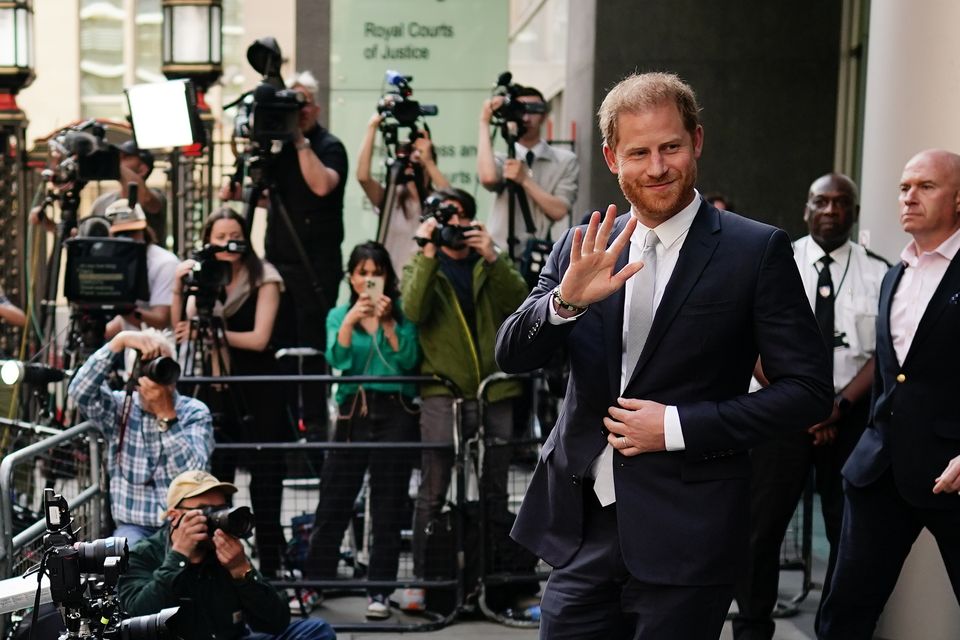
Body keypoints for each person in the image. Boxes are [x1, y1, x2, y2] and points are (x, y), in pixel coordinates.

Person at [495, 72, 833, 639]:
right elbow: (511, 355)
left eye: (671, 146)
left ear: (696, 142)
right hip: (581, 527)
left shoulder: (756, 251)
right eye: (639, 152)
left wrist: (676, 426)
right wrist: (564, 302)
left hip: (688, 534)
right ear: (611, 158)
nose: (657, 167)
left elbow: (807, 393)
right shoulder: (585, 244)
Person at [732, 174, 889, 640]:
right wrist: (797, 402)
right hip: (779, 416)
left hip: (850, 416)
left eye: (842, 203)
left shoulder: (880, 273)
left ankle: (836, 630)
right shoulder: (771, 260)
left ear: (854, 213)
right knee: (760, 532)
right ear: (805, 209)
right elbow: (749, 339)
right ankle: (752, 627)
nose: (831, 210)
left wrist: (835, 406)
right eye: (821, 201)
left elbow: (883, 354)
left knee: (848, 534)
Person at [818, 149, 960, 639]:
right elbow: (890, 373)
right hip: (878, 472)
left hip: (952, 473)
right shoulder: (894, 275)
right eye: (904, 187)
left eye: (926, 187)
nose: (909, 197)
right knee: (844, 616)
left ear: (959, 199)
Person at [402, 187, 529, 597]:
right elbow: (412, 310)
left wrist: (492, 255)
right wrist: (425, 251)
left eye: (459, 215)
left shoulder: (488, 261)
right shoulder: (425, 264)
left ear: (472, 220)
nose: (452, 224)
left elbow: (524, 301)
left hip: (495, 388)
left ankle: (493, 575)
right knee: (434, 487)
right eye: (443, 217)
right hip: (444, 391)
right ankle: (425, 578)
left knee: (495, 486)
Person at [222, 70, 348, 440]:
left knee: (309, 355)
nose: (297, 110)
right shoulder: (276, 147)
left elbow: (320, 186)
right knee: (278, 352)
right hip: (276, 267)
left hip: (314, 270)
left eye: (302, 102)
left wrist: (298, 139)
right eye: (290, 102)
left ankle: (314, 437)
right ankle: (282, 432)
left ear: (316, 107)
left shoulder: (327, 146)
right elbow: (268, 197)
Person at [303, 241, 419, 619]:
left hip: (395, 409)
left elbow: (406, 361)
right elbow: (338, 359)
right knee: (334, 498)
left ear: (387, 277)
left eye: (376, 273)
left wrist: (387, 324)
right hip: (354, 410)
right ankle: (313, 583)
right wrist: (352, 320)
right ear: (351, 278)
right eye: (362, 273)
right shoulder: (339, 314)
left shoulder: (402, 315)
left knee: (388, 503)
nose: (369, 280)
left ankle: (380, 591)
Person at [172, 207, 289, 576]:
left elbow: (259, 339)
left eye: (233, 235)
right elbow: (181, 327)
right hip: (215, 388)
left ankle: (270, 566)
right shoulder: (202, 277)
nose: (227, 244)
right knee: (216, 478)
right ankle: (216, 570)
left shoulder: (264, 276)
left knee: (265, 478)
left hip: (257, 389)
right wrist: (180, 286)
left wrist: (211, 332)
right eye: (219, 237)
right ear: (208, 240)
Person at [118, 469, 336, 640]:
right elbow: (137, 617)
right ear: (175, 517)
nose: (216, 519)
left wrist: (242, 570)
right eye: (206, 511)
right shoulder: (143, 555)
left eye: (221, 509)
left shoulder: (225, 550)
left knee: (316, 630)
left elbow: (275, 622)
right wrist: (178, 558)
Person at [69, 330, 214, 544]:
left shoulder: (194, 411)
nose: (159, 373)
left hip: (185, 522)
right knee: (122, 555)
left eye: (164, 364)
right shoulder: (122, 407)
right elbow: (79, 391)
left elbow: (194, 474)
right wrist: (119, 341)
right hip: (134, 526)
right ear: (133, 375)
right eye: (149, 365)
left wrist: (166, 415)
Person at [477, 85, 579, 256]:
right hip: (498, 253)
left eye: (533, 109)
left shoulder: (564, 160)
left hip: (536, 254)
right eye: (520, 109)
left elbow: (559, 211)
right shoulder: (503, 158)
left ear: (544, 115)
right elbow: (487, 178)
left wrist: (524, 179)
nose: (526, 117)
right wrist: (484, 121)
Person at [357, 114, 449, 276]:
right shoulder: (392, 196)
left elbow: (453, 199)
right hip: (389, 282)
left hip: (420, 281)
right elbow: (363, 177)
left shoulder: (435, 200)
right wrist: (372, 128)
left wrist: (427, 161)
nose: (412, 165)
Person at [103, 198, 179, 335]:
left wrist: (122, 308)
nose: (127, 239)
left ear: (144, 231)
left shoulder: (165, 263)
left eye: (133, 232)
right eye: (120, 234)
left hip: (161, 347)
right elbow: (120, 323)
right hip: (128, 347)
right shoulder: (113, 261)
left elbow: (161, 320)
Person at [90, 140, 167, 243]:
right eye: (118, 157)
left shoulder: (156, 195)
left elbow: (146, 199)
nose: (118, 160)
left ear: (142, 169)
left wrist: (114, 163)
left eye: (125, 157)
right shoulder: (102, 202)